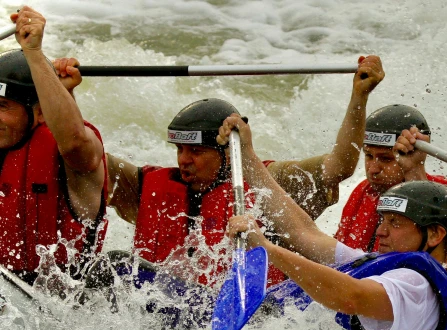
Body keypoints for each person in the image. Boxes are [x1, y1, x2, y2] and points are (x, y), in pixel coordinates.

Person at [54, 55, 384, 285]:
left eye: (196, 151)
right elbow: (80, 154)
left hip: (242, 315)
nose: (184, 160)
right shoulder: (143, 184)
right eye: (180, 149)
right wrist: (64, 92)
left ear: (226, 152)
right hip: (161, 312)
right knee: (111, 268)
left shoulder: (267, 181)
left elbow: (338, 167)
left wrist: (359, 96)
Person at [221, 114, 447, 330]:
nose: (381, 232)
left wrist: (268, 250)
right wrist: (248, 155)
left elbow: (350, 297)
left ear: (434, 235)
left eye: (395, 223)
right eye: (383, 220)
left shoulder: (414, 287)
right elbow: (304, 233)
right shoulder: (386, 266)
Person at [0, 8, 107, 285]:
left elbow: (73, 140)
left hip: (61, 306)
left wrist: (34, 53)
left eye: (3, 107)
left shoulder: (75, 157)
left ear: (40, 114)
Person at [334, 104, 447, 254]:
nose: (373, 169)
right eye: (369, 156)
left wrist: (413, 170)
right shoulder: (364, 191)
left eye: (385, 159)